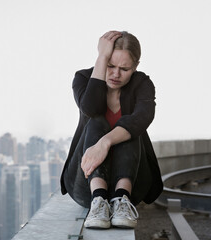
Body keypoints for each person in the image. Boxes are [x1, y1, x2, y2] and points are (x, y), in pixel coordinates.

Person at [60, 31, 163, 229]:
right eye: (110, 66)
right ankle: (99, 200)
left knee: (129, 124)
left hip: (133, 181)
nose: (116, 74)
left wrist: (105, 143)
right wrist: (101, 57)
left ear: (135, 67)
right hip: (85, 183)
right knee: (96, 121)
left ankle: (121, 199)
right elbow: (91, 109)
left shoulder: (142, 84)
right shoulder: (82, 78)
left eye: (124, 68)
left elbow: (143, 118)